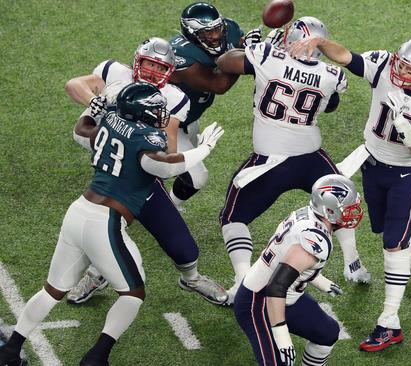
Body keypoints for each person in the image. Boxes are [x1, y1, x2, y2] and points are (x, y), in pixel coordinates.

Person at [0, 82, 224, 366]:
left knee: (52, 290)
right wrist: (203, 149)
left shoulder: (109, 121)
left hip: (78, 212)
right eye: (156, 110)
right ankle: (97, 357)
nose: (161, 114)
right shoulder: (147, 137)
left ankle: (9, 351)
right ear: (141, 113)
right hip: (105, 221)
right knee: (133, 294)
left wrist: (89, 114)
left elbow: (80, 132)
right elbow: (167, 166)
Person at [289, 35, 411, 351]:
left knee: (393, 244)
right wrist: (321, 42)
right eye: (400, 64)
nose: (401, 73)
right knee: (390, 234)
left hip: (403, 173)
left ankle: (389, 323)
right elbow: (347, 56)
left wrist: (404, 126)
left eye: (409, 70)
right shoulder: (382, 66)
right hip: (371, 163)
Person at [215, 16, 372, 304]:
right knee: (341, 200)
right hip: (311, 157)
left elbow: (225, 62)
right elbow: (332, 105)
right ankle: (354, 263)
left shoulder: (266, 55)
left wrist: (254, 46)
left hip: (270, 159)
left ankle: (242, 282)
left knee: (233, 217)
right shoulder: (331, 75)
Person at [64, 37, 228, 306]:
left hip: (141, 175)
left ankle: (192, 278)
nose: (152, 73)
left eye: (160, 68)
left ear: (169, 73)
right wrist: (94, 102)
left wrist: (147, 133)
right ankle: (96, 274)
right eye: (149, 65)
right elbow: (75, 93)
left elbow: (168, 150)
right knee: (103, 234)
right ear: (136, 61)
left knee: (184, 248)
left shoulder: (173, 98)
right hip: (111, 175)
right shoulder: (115, 73)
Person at [234, 174, 363, 366]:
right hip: (258, 302)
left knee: (326, 333)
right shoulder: (314, 238)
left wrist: (319, 280)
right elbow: (276, 287)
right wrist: (282, 336)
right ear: (329, 210)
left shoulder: (308, 215)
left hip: (284, 296)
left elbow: (289, 261)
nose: (353, 212)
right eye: (348, 209)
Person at [167, 2, 260, 208]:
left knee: (175, 169)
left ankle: (163, 202)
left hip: (189, 118)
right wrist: (245, 53)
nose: (216, 36)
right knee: (195, 176)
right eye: (207, 34)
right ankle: (168, 207)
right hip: (162, 121)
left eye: (217, 29)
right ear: (191, 34)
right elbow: (217, 84)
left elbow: (242, 50)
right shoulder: (179, 55)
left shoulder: (230, 28)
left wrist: (257, 47)